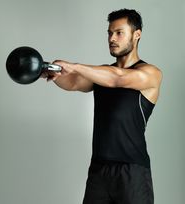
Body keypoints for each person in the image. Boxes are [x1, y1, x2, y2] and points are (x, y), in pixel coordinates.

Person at [42, 8, 162, 204]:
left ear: (136, 35)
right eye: (109, 33)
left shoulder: (150, 73)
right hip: (99, 169)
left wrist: (76, 66)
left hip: (131, 171)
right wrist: (45, 72)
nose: (112, 38)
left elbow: (118, 79)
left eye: (119, 33)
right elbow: (72, 83)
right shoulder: (102, 74)